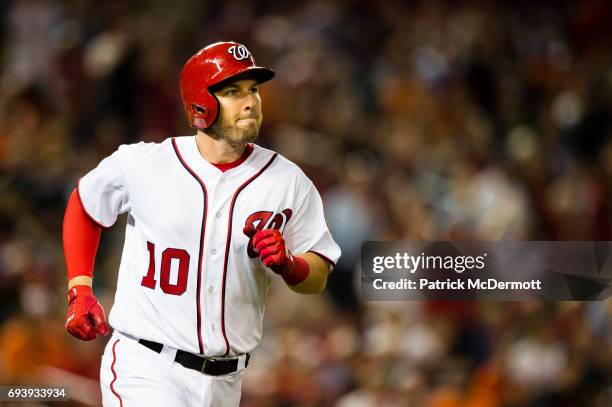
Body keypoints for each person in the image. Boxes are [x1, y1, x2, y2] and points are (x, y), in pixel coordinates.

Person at [63, 41, 341, 407]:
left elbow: (318, 275)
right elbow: (84, 203)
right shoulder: (145, 163)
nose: (250, 102)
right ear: (200, 103)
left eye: (253, 90)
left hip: (226, 382)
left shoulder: (287, 182)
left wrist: (292, 266)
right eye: (232, 92)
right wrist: (80, 287)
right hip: (146, 365)